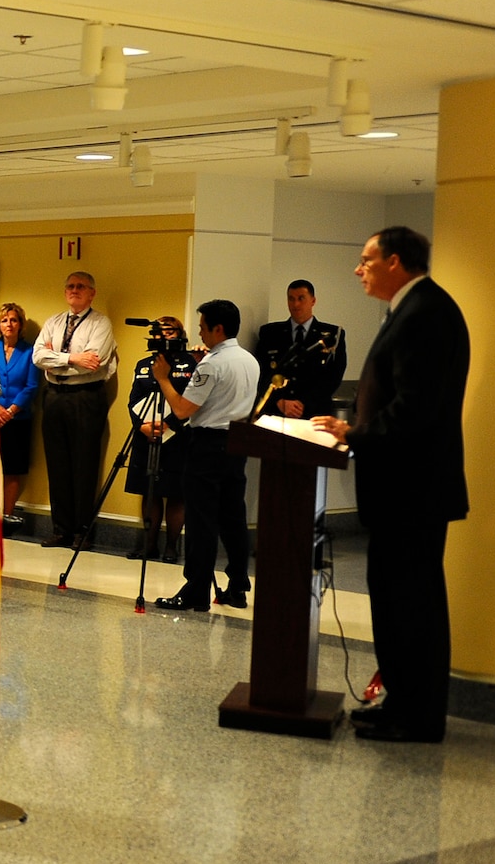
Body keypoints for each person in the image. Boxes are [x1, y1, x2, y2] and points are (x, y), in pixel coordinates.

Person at [311, 227, 469, 744]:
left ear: (395, 261)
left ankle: (417, 716)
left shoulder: (425, 313)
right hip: (404, 488)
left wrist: (355, 432)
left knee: (412, 604)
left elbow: (415, 409)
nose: (358, 270)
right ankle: (401, 701)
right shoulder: (412, 308)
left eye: (365, 260)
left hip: (413, 490)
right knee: (397, 601)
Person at [152, 300, 260, 613]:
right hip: (237, 442)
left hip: (207, 446)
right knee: (233, 518)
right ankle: (238, 586)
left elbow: (183, 410)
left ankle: (195, 591)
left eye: (202, 326)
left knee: (201, 522)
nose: (199, 331)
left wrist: (163, 378)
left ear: (218, 329)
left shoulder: (212, 364)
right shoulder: (249, 361)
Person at [33, 271, 118, 550]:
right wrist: (71, 358)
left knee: (84, 465)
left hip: (85, 397)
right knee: (57, 465)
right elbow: (38, 357)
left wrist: (55, 358)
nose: (75, 290)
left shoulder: (100, 323)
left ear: (92, 293)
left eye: (81, 286)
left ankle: (83, 531)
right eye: (70, 286)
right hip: (55, 396)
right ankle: (61, 530)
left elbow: (95, 361)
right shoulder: (54, 322)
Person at [124, 317, 193, 562]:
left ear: (179, 334)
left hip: (178, 436)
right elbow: (133, 400)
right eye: (158, 332)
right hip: (146, 435)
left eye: (168, 331)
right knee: (149, 490)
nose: (163, 336)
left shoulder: (189, 364)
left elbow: (190, 401)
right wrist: (140, 425)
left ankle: (172, 546)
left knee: (176, 493)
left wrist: (169, 425)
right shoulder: (144, 364)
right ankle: (148, 545)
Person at [255, 280, 348, 421]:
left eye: (301, 298)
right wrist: (279, 400)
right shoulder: (270, 333)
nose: (295, 304)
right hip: (276, 412)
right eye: (291, 299)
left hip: (314, 413)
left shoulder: (332, 335)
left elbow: (333, 376)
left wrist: (304, 403)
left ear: (313, 301)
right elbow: (261, 372)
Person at [0, 303, 39, 530]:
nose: (9, 324)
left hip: (18, 419)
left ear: (20, 324)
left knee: (12, 469)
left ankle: (6, 515)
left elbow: (31, 387)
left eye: (13, 320)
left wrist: (10, 411)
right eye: (4, 320)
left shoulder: (29, 351)